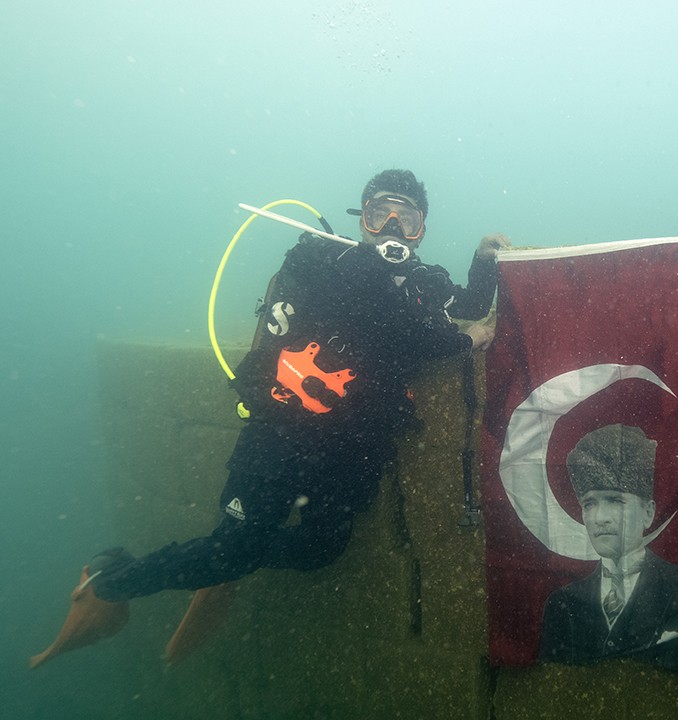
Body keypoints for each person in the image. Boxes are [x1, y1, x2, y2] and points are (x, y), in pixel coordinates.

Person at [31, 169, 510, 669]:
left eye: (405, 217)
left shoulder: (425, 281)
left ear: (422, 229)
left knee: (320, 550)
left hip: (352, 445)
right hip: (282, 432)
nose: (391, 226)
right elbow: (398, 331)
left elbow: (470, 304)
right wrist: (464, 340)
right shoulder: (330, 260)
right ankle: (110, 581)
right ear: (361, 218)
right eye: (379, 213)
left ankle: (240, 553)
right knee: (232, 546)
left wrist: (483, 259)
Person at [539, 424, 678, 685]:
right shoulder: (562, 604)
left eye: (615, 500)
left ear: (648, 513)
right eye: (589, 503)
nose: (599, 518)